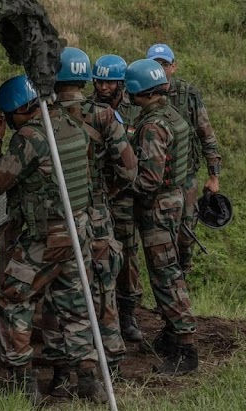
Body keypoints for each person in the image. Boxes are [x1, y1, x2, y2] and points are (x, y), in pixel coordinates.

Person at [0, 75, 107, 405]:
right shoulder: (69, 123)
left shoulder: (30, 136)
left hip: (48, 236)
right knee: (74, 305)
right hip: (79, 230)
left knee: (13, 298)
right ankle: (88, 382)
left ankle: (23, 385)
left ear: (15, 112)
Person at [42, 48, 137, 393]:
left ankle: (61, 372)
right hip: (96, 216)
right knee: (103, 290)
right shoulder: (105, 117)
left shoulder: (44, 116)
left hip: (56, 217)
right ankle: (109, 365)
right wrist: (104, 194)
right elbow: (128, 169)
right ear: (84, 78)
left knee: (57, 292)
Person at [125, 59, 198, 376]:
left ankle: (185, 348)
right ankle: (171, 335)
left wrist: (122, 187)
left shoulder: (153, 126)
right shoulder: (172, 115)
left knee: (166, 276)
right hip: (175, 202)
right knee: (166, 273)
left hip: (158, 207)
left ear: (137, 91)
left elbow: (149, 179)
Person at [145, 43, 222, 275]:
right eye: (154, 64)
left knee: (186, 230)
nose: (160, 69)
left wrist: (214, 175)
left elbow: (205, 132)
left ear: (173, 67)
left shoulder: (188, 94)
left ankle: (182, 278)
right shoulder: (139, 92)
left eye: (164, 64)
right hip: (153, 177)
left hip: (185, 176)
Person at [90, 54, 144, 343]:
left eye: (109, 81)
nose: (102, 86)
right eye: (98, 80)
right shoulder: (87, 109)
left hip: (124, 195)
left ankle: (127, 312)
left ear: (121, 83)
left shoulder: (134, 111)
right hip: (95, 195)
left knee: (126, 255)